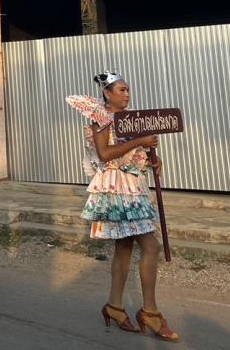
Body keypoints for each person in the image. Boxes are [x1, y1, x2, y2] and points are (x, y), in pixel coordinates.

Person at [66, 72, 178, 342]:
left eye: (128, 90)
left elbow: (132, 151)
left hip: (133, 184)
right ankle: (150, 312)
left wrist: (153, 158)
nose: (127, 95)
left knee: (125, 246)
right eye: (122, 90)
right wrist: (140, 142)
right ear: (108, 93)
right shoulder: (101, 118)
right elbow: (104, 154)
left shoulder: (130, 120)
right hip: (116, 187)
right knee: (150, 246)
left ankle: (114, 307)